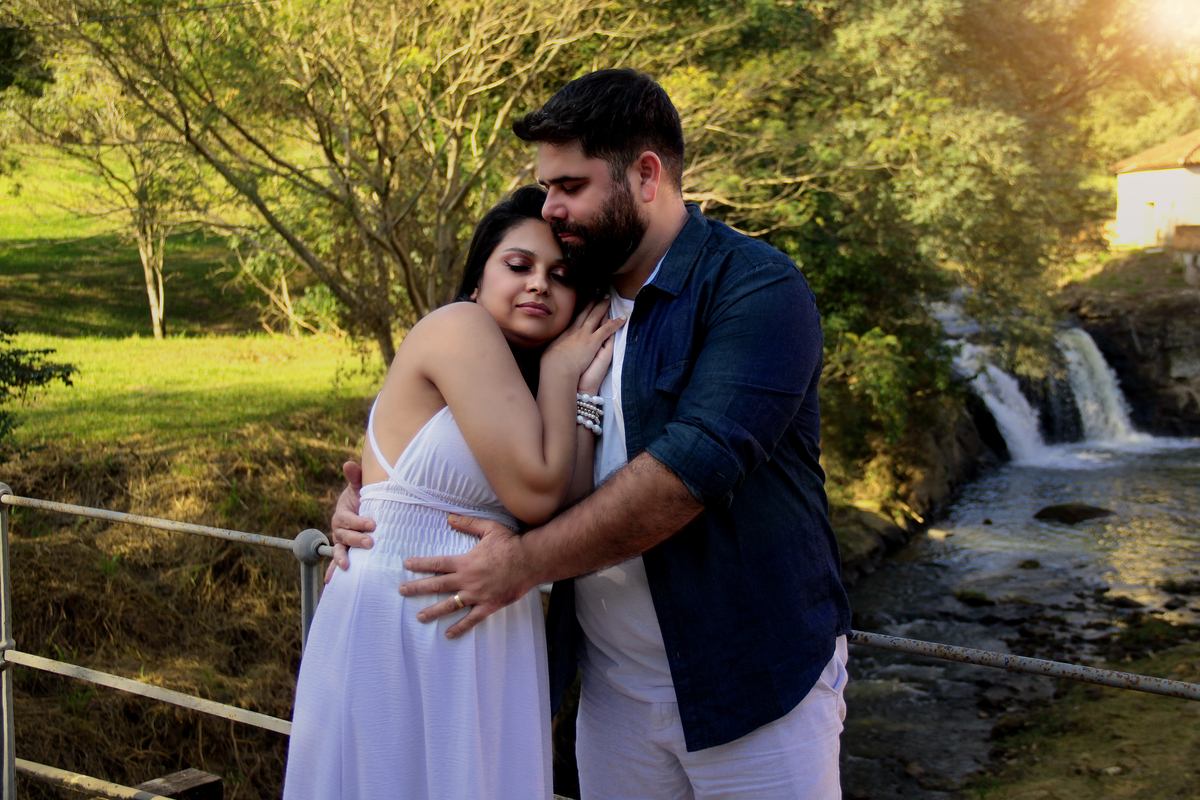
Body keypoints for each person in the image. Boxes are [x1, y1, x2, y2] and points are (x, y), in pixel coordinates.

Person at [332, 69, 854, 799]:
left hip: (751, 684)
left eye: (570, 185)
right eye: (547, 187)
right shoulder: (566, 309)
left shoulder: (754, 289)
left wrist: (522, 565)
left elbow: (685, 476)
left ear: (645, 175)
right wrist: (374, 505)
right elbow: (458, 437)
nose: (552, 207)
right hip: (610, 693)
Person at [285, 185, 623, 800]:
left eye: (561, 276)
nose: (539, 284)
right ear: (477, 279)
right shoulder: (458, 326)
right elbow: (539, 494)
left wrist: (578, 387)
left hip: (492, 619)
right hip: (403, 611)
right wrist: (561, 374)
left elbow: (567, 504)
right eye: (518, 266)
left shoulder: (523, 379)